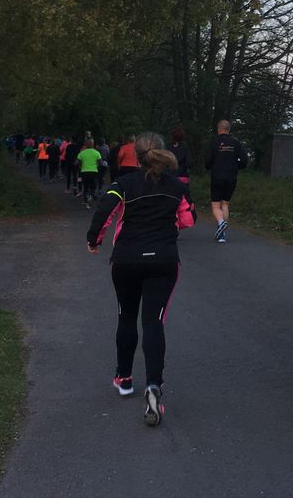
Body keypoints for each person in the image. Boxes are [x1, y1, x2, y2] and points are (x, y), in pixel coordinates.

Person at [86, 133, 196, 427]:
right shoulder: (177, 187)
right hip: (163, 260)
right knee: (153, 321)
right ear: (161, 152)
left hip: (126, 260)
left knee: (126, 316)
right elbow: (188, 221)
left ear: (134, 155)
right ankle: (154, 386)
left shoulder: (123, 184)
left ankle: (124, 378)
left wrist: (94, 240)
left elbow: (104, 212)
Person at [204, 120, 248, 243]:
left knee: (215, 205)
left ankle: (221, 222)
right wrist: (235, 166)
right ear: (229, 129)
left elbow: (207, 161)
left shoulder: (214, 143)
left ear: (219, 129)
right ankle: (222, 234)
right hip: (231, 177)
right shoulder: (236, 143)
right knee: (225, 204)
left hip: (217, 176)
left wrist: (212, 167)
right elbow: (244, 160)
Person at [77, 139, 103, 205]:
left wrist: (80, 166)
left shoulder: (82, 153)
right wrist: (97, 165)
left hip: (84, 171)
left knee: (85, 186)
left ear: (86, 145)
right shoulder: (96, 152)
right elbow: (101, 163)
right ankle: (92, 195)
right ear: (93, 144)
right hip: (94, 171)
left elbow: (77, 162)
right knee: (93, 185)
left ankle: (86, 199)